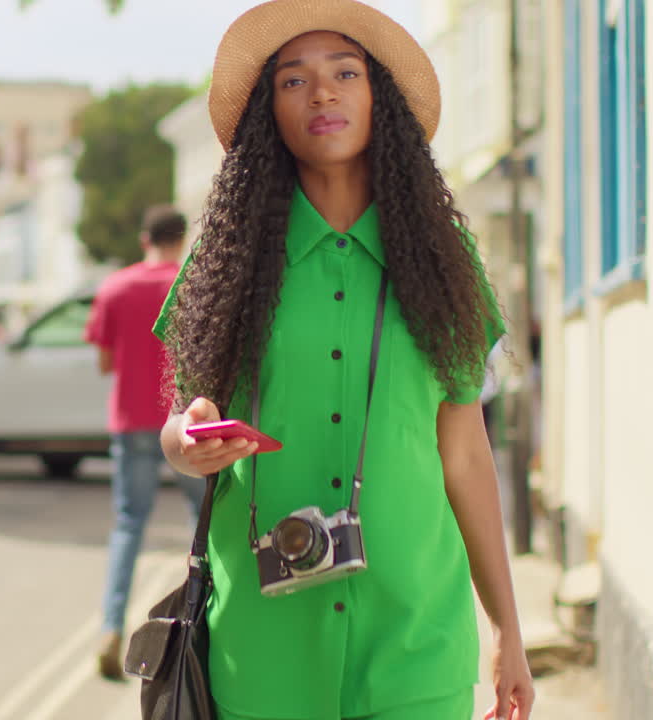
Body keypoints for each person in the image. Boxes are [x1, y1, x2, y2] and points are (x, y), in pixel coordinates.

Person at [153, 2, 535, 719]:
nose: (322, 93)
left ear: (377, 99)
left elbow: (467, 460)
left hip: (415, 641)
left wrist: (508, 630)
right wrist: (188, 442)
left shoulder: (443, 264)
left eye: (345, 73)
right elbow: (182, 424)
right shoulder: (222, 264)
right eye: (293, 81)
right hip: (263, 650)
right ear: (270, 112)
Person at [85, 205, 208, 681]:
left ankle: (111, 628)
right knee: (204, 527)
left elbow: (103, 362)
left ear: (144, 239)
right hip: (187, 424)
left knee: (128, 524)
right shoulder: (193, 282)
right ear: (181, 239)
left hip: (131, 421)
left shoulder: (115, 287)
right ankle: (202, 630)